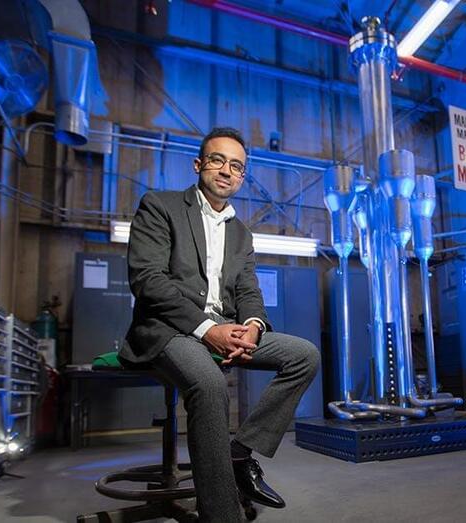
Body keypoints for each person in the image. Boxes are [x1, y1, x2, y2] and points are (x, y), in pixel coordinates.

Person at [121, 127, 320, 522]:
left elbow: (249, 291)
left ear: (242, 176)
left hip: (225, 327)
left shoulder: (241, 233)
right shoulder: (160, 206)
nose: (227, 171)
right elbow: (147, 280)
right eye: (218, 160)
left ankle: (239, 454)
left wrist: (253, 326)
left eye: (237, 166)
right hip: (170, 328)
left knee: (304, 355)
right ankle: (221, 515)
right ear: (199, 165)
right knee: (210, 384)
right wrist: (206, 329)